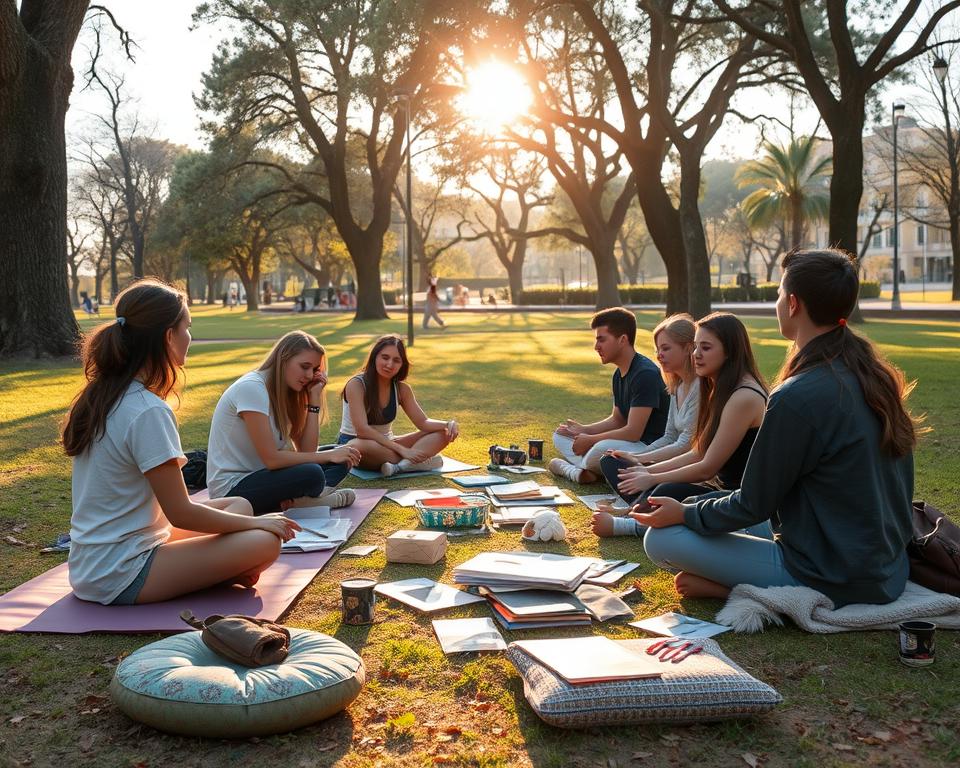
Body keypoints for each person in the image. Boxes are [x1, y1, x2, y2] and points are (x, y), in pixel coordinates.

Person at [634, 249, 918, 606]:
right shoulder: (875, 375)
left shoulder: (798, 395)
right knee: (692, 506)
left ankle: (742, 591)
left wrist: (686, 513)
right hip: (886, 564)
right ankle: (737, 576)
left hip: (834, 573)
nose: (779, 302)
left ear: (794, 303)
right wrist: (690, 505)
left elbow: (753, 504)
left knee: (661, 540)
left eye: (781, 293)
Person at [62, 279, 299, 606]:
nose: (190, 336)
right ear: (168, 337)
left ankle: (219, 569)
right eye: (187, 327)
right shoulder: (147, 410)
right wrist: (259, 523)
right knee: (265, 541)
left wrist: (249, 518)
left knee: (240, 505)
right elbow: (181, 513)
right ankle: (220, 572)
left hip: (101, 559)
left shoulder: (105, 395)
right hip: (119, 571)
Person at [592, 312, 766, 537]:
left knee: (668, 493)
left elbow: (706, 466)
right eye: (696, 347)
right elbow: (697, 451)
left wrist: (650, 475)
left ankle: (630, 523)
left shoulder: (743, 396)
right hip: (715, 487)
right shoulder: (718, 390)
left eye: (706, 348)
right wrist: (644, 467)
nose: (697, 355)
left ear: (730, 350)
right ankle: (635, 511)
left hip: (735, 497)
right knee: (631, 471)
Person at [206, 331, 361, 515]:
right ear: (284, 358)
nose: (310, 375)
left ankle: (301, 502)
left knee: (342, 458)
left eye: (314, 370)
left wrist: (314, 400)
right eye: (305, 367)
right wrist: (328, 456)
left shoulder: (287, 393)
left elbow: (307, 451)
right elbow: (272, 459)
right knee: (313, 472)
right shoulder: (252, 388)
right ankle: (311, 502)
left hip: (266, 479)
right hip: (233, 491)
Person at [549, 307, 670, 484]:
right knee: (560, 436)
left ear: (622, 340)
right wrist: (583, 430)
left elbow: (633, 432)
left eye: (601, 339)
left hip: (647, 447)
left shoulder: (645, 374)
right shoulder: (619, 374)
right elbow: (618, 419)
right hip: (624, 445)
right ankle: (593, 470)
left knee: (601, 447)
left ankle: (575, 472)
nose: (596, 346)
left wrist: (591, 439)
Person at [339, 334, 459, 477]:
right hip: (360, 444)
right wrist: (403, 450)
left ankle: (401, 467)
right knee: (356, 446)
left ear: (402, 365)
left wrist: (448, 424)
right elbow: (362, 430)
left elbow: (423, 423)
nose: (389, 364)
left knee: (444, 432)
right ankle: (415, 462)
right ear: (375, 357)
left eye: (396, 360)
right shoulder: (357, 384)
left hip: (388, 444)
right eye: (385, 357)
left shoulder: (402, 389)